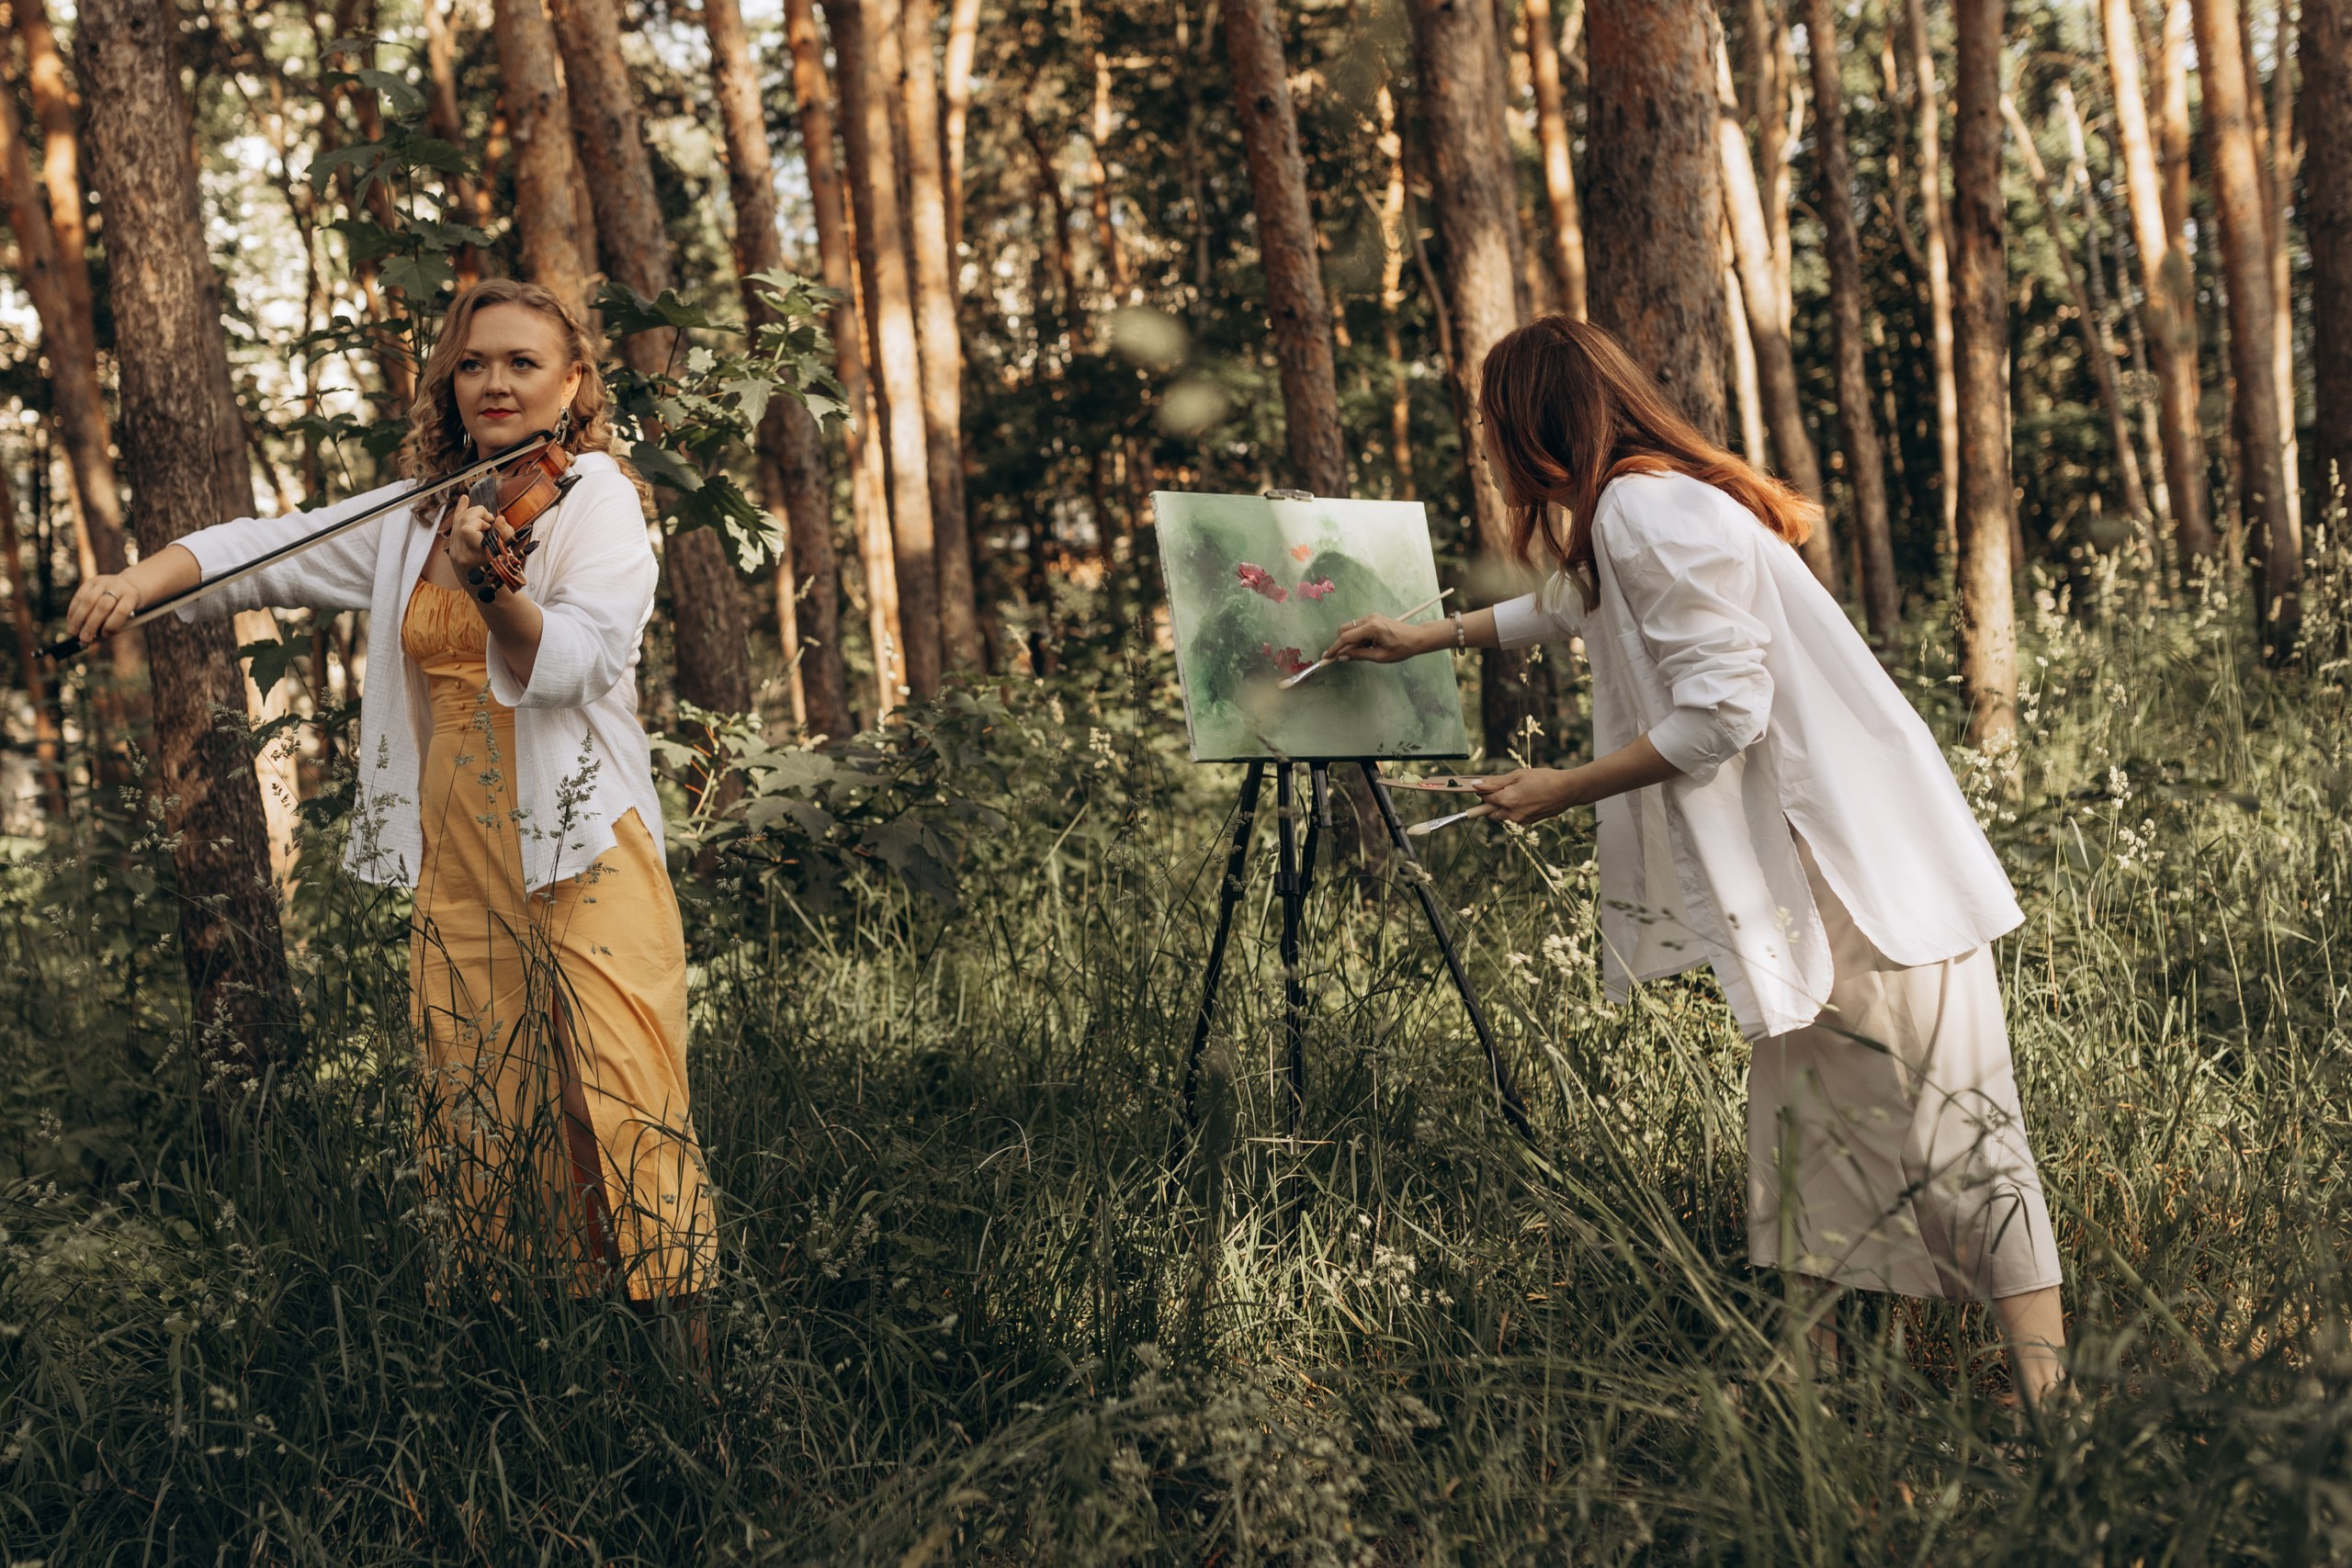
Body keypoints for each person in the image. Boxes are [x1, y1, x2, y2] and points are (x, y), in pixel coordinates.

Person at [1322, 316, 2066, 1404]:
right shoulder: (1634, 508)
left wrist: (1558, 789)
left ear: (1530, 426)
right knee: (1803, 1117)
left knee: (1956, 1118)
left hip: (1857, 862)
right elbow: (1576, 606)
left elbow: (1722, 714)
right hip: (1814, 866)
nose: (1483, 443)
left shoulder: (1646, 509)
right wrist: (1419, 637)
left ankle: (2050, 1399)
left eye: (1487, 422)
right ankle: (1807, 1374)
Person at [65, 277, 716, 1306]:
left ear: (572, 381)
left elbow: (585, 657)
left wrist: (498, 591)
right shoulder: (420, 516)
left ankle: (688, 1374)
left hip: (580, 835)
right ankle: (528, 1342)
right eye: (472, 363)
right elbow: (256, 552)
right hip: (459, 845)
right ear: (449, 383)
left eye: (521, 362)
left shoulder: (597, 500)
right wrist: (132, 585)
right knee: (481, 1095)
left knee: (622, 1095)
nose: (494, 382)